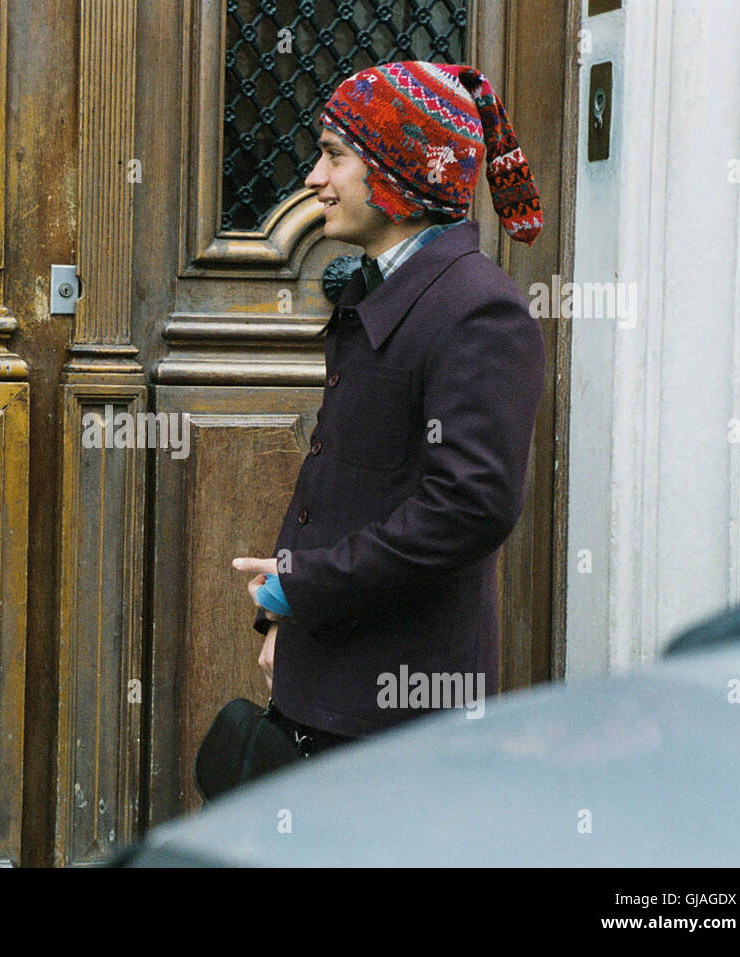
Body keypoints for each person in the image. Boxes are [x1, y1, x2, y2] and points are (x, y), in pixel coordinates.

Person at [233, 61, 545, 760]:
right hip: (336, 682)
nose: (314, 179)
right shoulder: (386, 290)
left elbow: (469, 507)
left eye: (335, 155)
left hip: (400, 714)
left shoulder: (478, 309)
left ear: (404, 175)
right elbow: (340, 480)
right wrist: (289, 617)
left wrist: (303, 588)